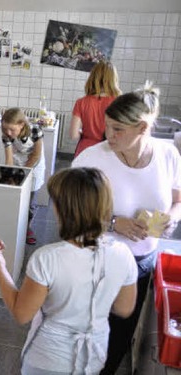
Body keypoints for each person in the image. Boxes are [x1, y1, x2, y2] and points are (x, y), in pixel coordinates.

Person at [0, 167, 138, 375]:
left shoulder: (48, 258)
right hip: (93, 356)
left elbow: (21, 313)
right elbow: (124, 308)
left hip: (48, 359)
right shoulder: (123, 254)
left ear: (65, 209)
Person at [72, 82, 181, 374]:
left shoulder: (168, 155)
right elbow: (68, 210)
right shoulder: (93, 157)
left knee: (118, 335)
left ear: (143, 128)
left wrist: (171, 217)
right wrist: (111, 222)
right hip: (95, 260)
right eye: (108, 126)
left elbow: (177, 200)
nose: (109, 134)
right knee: (85, 331)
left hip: (140, 264)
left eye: (118, 129)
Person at [1, 108, 45, 245]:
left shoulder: (35, 131)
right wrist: (10, 176)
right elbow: (9, 159)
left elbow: (36, 154)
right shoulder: (6, 135)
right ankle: (16, 225)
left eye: (12, 130)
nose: (8, 133)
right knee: (17, 195)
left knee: (30, 200)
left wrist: (24, 173)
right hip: (19, 160)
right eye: (5, 129)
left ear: (22, 125)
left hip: (35, 164)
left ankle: (27, 228)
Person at [69, 61, 121, 157]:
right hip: (110, 151)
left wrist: (85, 134)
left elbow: (73, 135)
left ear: (93, 77)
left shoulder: (81, 102)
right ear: (113, 79)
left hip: (85, 151)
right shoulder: (119, 102)